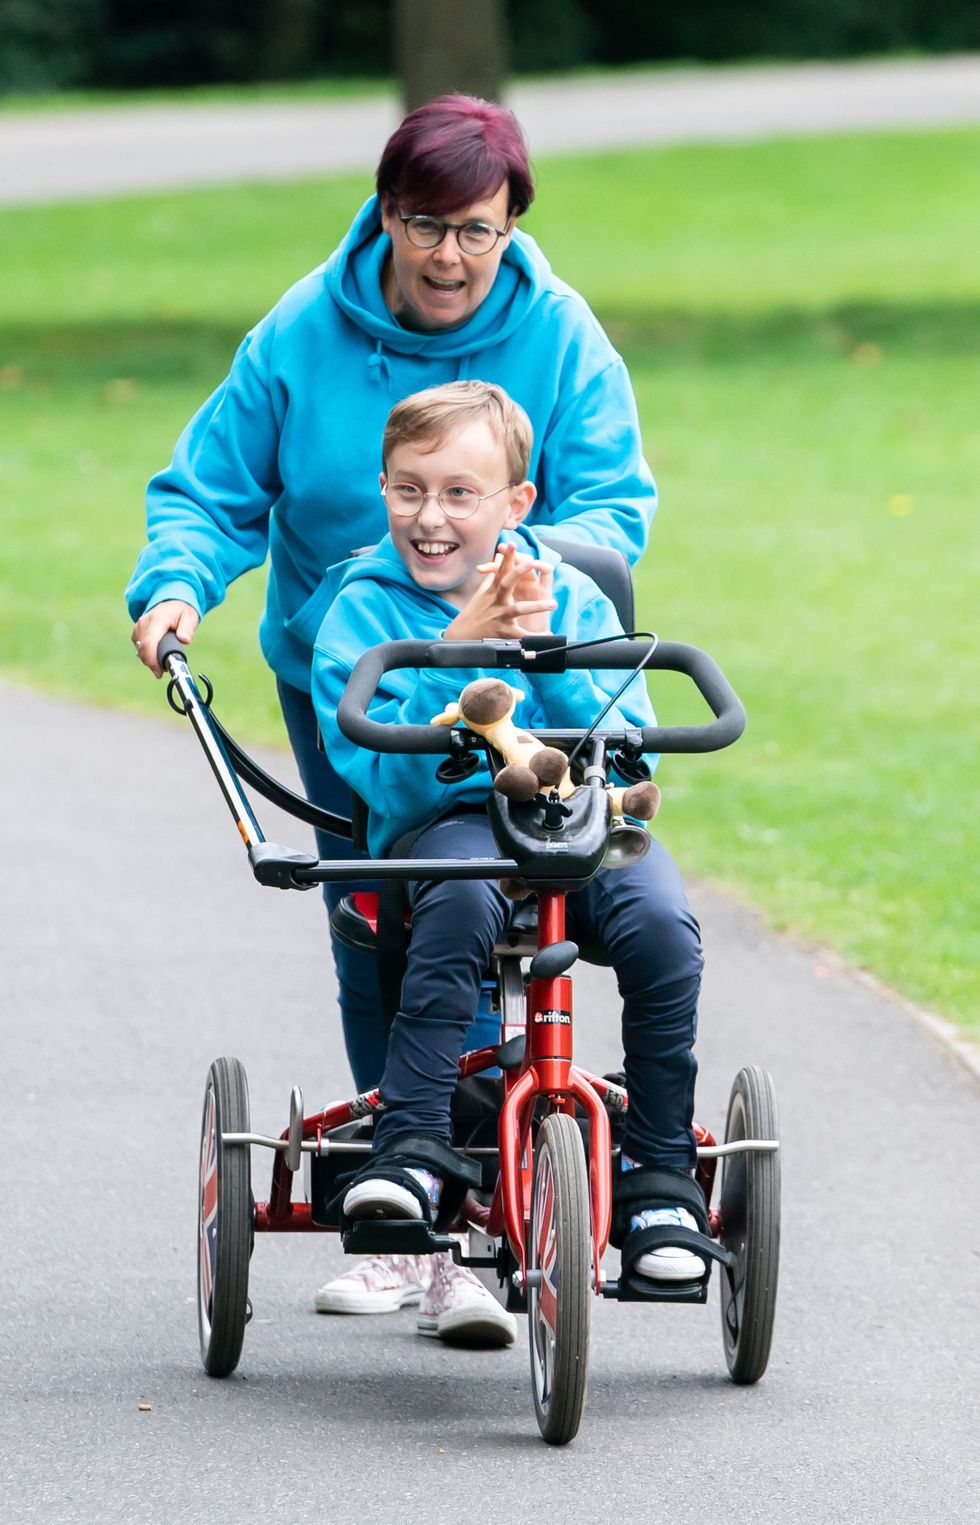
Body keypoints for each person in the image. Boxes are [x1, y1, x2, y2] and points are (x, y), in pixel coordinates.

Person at [126, 93, 657, 1314]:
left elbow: (614, 506)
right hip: (349, 665)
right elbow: (209, 489)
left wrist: (522, 582)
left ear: (511, 220)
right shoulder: (303, 334)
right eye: (425, 225)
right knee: (384, 912)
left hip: (528, 674)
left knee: (493, 899)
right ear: (386, 215)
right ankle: (407, 1214)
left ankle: (486, 1186)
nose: (449, 254)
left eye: (475, 228)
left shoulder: (562, 338)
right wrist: (174, 591)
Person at [311, 382, 705, 1348]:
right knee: (453, 908)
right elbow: (384, 781)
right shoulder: (359, 606)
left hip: (577, 820)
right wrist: (454, 651)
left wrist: (539, 650)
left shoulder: (567, 591)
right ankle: (412, 1149)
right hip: (446, 826)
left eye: (458, 492)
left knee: (665, 931)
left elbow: (632, 739)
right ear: (384, 489)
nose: (431, 516)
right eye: (409, 491)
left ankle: (659, 1178)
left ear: (515, 504)